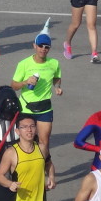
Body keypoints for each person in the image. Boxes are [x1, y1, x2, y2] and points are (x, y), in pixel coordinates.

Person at [10, 29, 62, 159]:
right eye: (40, 46)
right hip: (26, 108)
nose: (43, 49)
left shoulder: (54, 63)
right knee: (26, 141)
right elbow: (14, 86)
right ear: (34, 45)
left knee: (44, 142)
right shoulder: (24, 64)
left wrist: (57, 87)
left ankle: (43, 167)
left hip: (45, 108)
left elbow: (56, 78)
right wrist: (26, 82)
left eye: (46, 47)